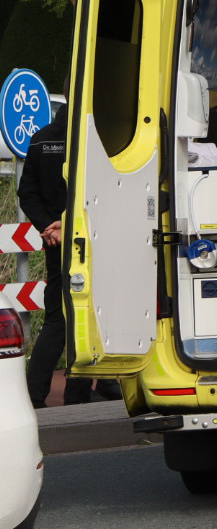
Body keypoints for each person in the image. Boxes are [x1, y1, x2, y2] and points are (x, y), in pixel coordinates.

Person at [20, 108, 114, 407]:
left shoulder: (40, 138)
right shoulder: (93, 137)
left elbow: (27, 192)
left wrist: (48, 226)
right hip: (89, 239)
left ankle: (34, 395)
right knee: (90, 316)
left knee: (56, 319)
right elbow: (100, 190)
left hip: (55, 242)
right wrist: (67, 224)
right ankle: (79, 393)